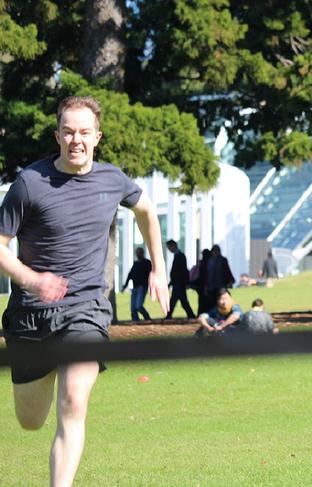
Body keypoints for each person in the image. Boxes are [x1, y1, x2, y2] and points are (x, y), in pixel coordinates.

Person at [0, 96, 169, 487]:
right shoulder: (29, 183)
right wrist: (31, 279)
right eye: (69, 132)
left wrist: (158, 269)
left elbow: (146, 211)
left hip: (87, 309)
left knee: (74, 401)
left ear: (98, 137)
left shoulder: (113, 180)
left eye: (85, 132)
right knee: (30, 421)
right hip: (31, 314)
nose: (77, 140)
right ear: (57, 135)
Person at [165, 239, 195, 319]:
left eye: (169, 247)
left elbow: (182, 270)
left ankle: (169, 315)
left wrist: (186, 282)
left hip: (179, 283)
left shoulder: (180, 256)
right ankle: (191, 315)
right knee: (183, 301)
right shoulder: (178, 255)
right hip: (178, 282)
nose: (169, 249)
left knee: (174, 301)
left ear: (173, 245)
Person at [121, 247, 152, 320]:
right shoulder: (136, 264)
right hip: (135, 288)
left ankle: (147, 317)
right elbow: (130, 275)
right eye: (137, 253)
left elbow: (151, 275)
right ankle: (136, 320)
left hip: (142, 287)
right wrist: (125, 286)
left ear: (143, 253)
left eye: (139, 252)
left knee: (138, 306)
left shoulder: (147, 263)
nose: (138, 254)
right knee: (133, 308)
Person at [205, 244, 235, 310]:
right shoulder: (209, 260)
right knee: (212, 301)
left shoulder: (222, 260)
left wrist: (230, 280)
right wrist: (206, 286)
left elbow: (227, 271)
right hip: (212, 285)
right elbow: (207, 274)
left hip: (220, 284)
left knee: (221, 299)